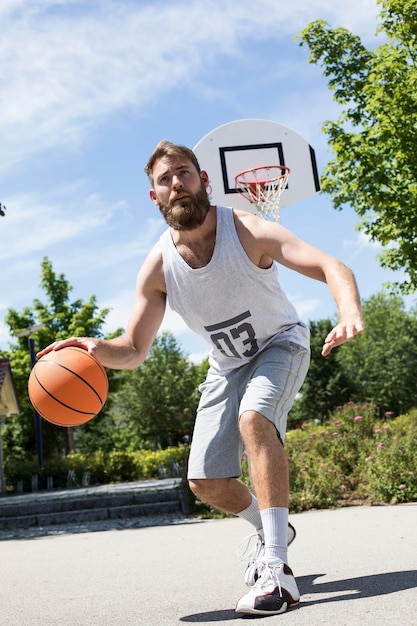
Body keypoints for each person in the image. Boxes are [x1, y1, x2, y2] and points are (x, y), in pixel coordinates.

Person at [38, 140, 364, 616]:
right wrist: (94, 348)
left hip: (281, 344)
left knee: (255, 418)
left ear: (204, 180)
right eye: (165, 180)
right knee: (206, 481)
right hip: (226, 364)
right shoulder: (157, 268)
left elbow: (332, 265)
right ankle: (272, 527)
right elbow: (132, 350)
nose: (177, 184)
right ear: (154, 197)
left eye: (184, 173)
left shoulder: (247, 228)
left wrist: (348, 311)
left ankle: (278, 569)